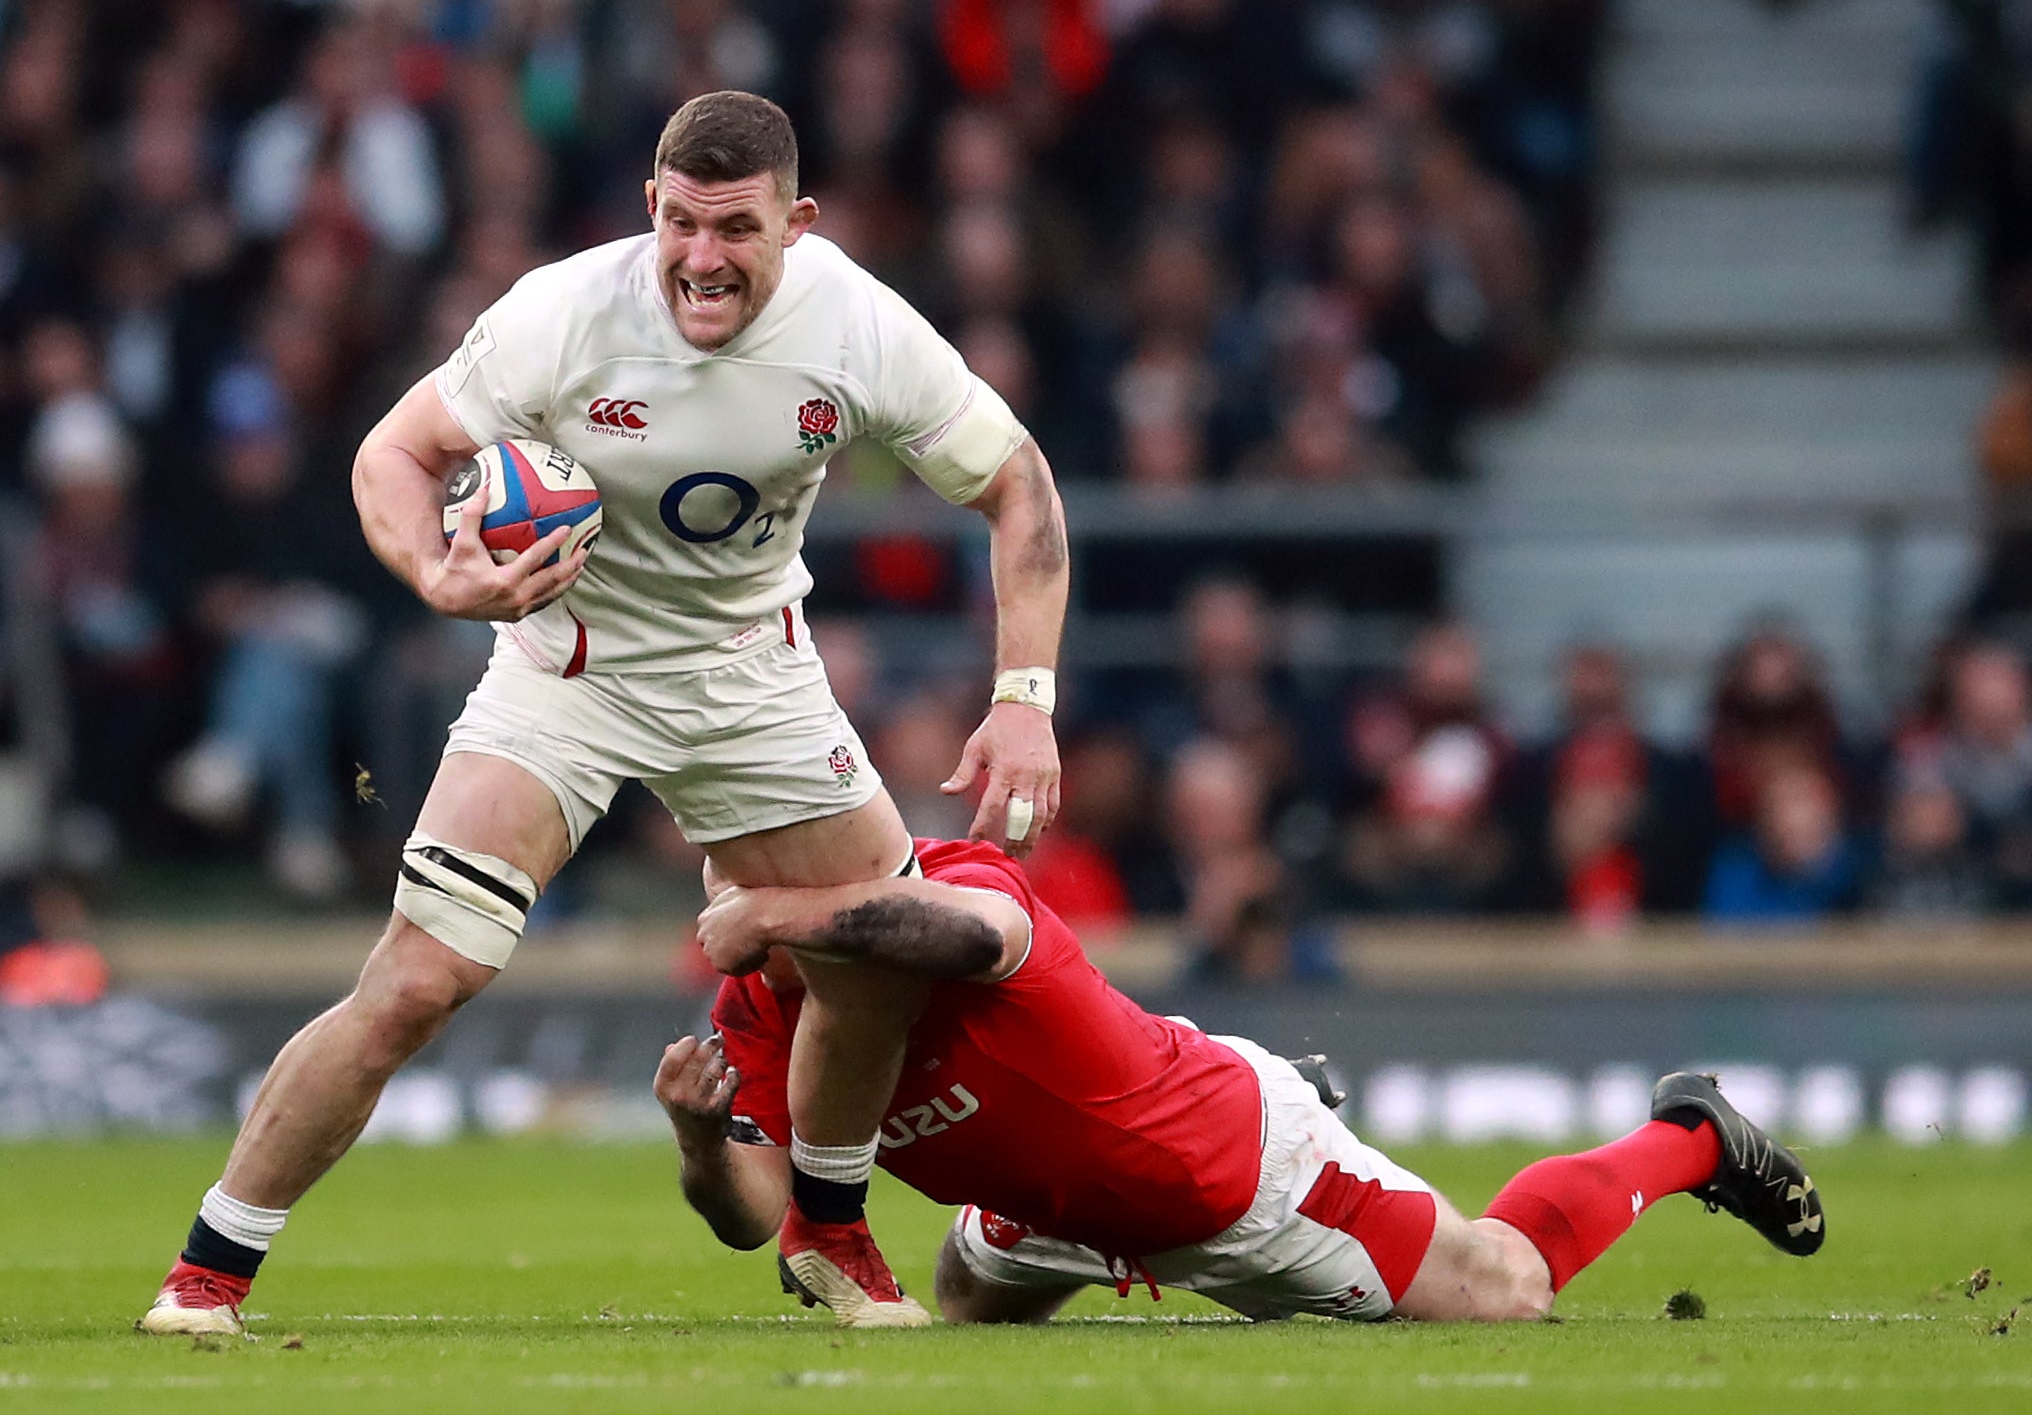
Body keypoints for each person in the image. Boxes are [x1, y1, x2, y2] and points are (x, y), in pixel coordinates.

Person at [140, 91, 1069, 1336]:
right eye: (679, 221)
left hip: (752, 671)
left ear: (795, 223)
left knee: (872, 954)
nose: (700, 256)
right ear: (649, 207)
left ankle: (830, 1231)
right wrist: (438, 573)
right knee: (422, 978)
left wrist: (1022, 702)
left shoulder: (856, 324)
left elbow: (1019, 485)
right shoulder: (564, 313)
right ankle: (206, 1272)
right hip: (567, 667)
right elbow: (391, 456)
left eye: (733, 228)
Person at [660, 837, 1826, 1324]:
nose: (725, 892)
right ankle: (1045, 1205)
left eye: (753, 866)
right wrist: (704, 1146)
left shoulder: (952, 883)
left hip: (1235, 1177)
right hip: (1059, 1201)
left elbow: (974, 944)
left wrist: (781, 911)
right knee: (964, 1307)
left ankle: (1693, 1135)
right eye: (723, 868)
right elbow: (767, 1216)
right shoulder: (755, 1009)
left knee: (1506, 1286)